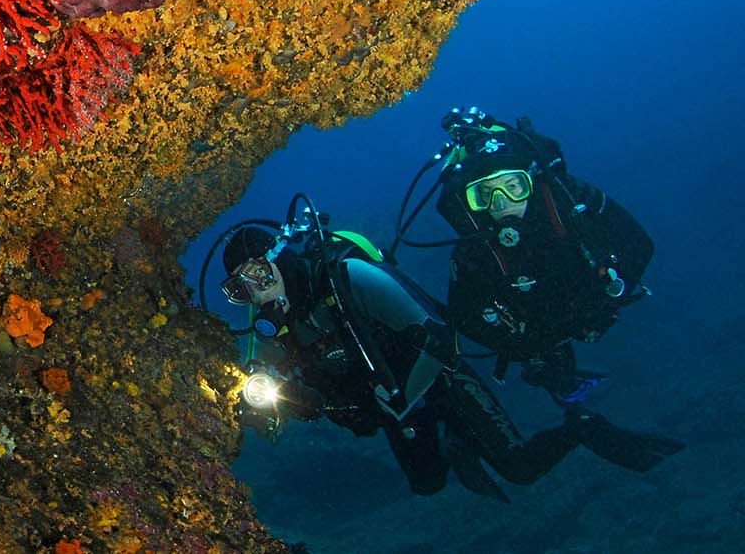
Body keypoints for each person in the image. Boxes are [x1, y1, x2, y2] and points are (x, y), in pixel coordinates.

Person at [209, 197, 683, 500]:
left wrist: (399, 398)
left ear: (278, 259)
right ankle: (457, 446)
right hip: (391, 405)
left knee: (519, 469)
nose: (257, 293)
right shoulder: (273, 330)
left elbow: (439, 338)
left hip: (438, 379)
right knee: (428, 485)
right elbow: (311, 393)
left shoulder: (348, 277)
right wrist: (284, 405)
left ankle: (581, 426)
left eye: (259, 275)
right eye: (240, 289)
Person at [425, 108, 655, 403]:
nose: (502, 203)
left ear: (530, 184)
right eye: (486, 194)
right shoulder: (475, 246)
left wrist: (602, 303)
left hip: (591, 308)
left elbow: (638, 243)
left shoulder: (569, 201)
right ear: (472, 201)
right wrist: (529, 346)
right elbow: (464, 315)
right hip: (537, 334)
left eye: (513, 187)